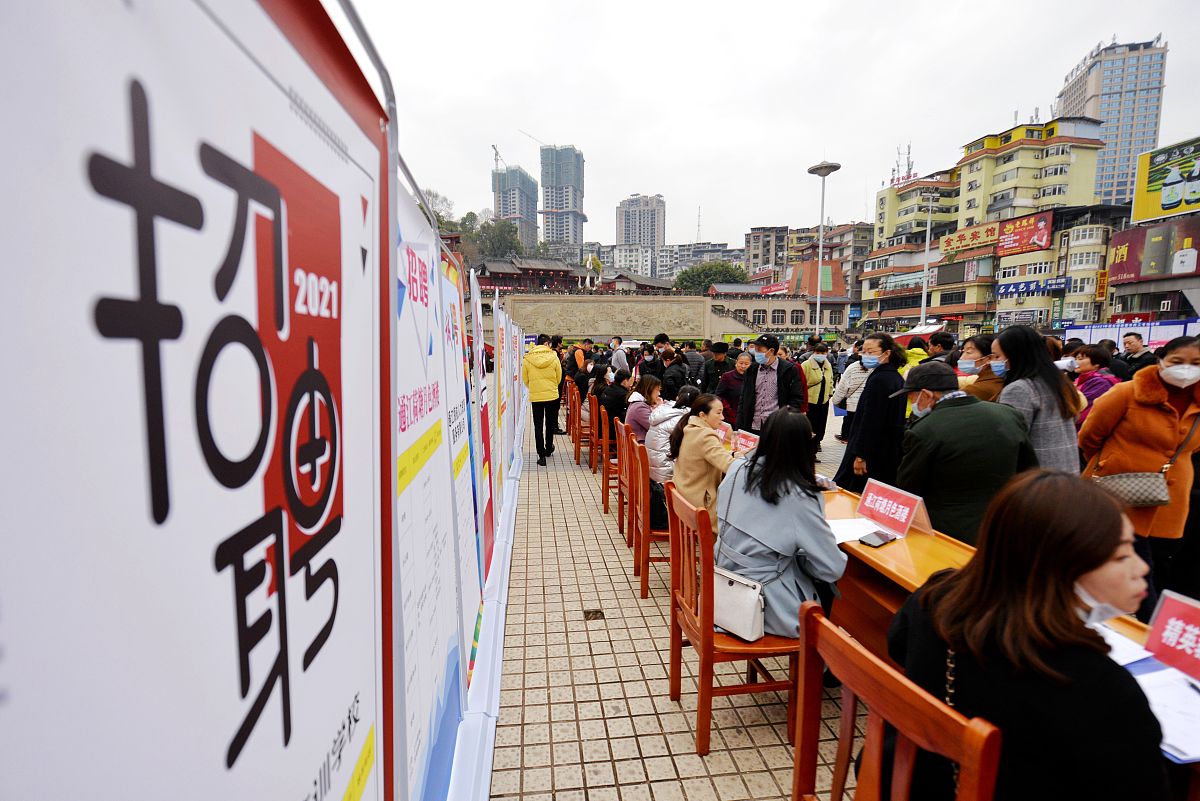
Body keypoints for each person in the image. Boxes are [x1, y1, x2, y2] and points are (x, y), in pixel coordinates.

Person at [887, 470, 1167, 801]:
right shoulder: (1097, 687)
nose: (1141, 568)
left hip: (907, 781)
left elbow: (896, 646)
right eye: (1121, 555)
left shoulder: (937, 597)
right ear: (1062, 568)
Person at [1080, 335, 1200, 619]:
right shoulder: (1126, 393)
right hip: (1117, 493)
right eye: (1177, 361)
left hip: (1170, 499)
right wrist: (1111, 462)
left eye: (1196, 363)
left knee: (1160, 565)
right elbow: (1089, 437)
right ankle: (1145, 627)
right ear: (1160, 361)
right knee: (1129, 566)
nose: (1186, 369)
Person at [715, 408, 847, 638]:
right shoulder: (799, 495)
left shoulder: (737, 469)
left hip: (721, 588)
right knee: (827, 589)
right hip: (763, 604)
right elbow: (831, 568)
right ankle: (820, 657)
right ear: (804, 446)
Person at [894, 363, 1038, 545]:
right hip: (1004, 522)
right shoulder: (1008, 414)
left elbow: (908, 486)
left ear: (927, 394)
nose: (911, 402)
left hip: (948, 532)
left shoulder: (924, 430)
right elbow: (1029, 469)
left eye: (911, 396)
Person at [993, 325, 1082, 474]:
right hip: (1066, 473)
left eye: (997, 356)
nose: (993, 362)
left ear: (1015, 355)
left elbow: (1010, 440)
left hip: (1036, 477)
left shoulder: (1019, 389)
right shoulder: (1059, 382)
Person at [834, 333, 907, 492]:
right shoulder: (894, 377)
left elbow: (871, 420)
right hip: (887, 450)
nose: (865, 355)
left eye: (871, 352)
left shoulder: (880, 380)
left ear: (887, 353)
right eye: (864, 351)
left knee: (855, 492)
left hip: (873, 453)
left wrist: (860, 455)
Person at [670, 393, 739, 518]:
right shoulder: (706, 435)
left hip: (685, 498)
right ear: (702, 415)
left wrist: (734, 454)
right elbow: (730, 466)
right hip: (702, 508)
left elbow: (707, 454)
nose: (722, 417)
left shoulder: (690, 428)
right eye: (718, 413)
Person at [735, 334, 806, 434]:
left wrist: (787, 420)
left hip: (777, 426)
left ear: (771, 351)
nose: (756, 352)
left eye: (759, 350)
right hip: (753, 425)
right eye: (755, 349)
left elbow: (796, 398)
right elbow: (743, 399)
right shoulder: (751, 370)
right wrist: (739, 427)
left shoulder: (789, 369)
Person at [521, 334, 564, 467]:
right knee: (549, 423)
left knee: (538, 426)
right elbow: (559, 377)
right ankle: (549, 448)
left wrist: (534, 387)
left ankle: (541, 456)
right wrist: (552, 386)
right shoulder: (554, 356)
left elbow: (525, 378)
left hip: (536, 396)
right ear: (546, 344)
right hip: (551, 395)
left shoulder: (528, 358)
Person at [646, 385, 699, 483]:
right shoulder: (684, 419)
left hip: (652, 468)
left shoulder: (664, 410)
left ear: (677, 397)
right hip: (667, 473)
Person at [830, 341, 871, 443]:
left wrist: (836, 401)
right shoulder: (876, 368)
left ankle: (846, 438)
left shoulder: (852, 367)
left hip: (852, 404)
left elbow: (842, 387)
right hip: (867, 404)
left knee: (849, 421)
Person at [1073, 344, 1121, 428]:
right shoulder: (1083, 379)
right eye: (1075, 359)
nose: (1075, 362)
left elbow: (1083, 408)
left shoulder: (1101, 382)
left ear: (1097, 363)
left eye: (1080, 359)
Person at [799, 342, 835, 450]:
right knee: (809, 424)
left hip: (823, 400)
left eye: (823, 353)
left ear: (827, 353)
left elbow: (830, 380)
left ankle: (817, 443)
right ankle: (807, 445)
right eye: (818, 352)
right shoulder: (806, 365)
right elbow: (800, 382)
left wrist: (830, 393)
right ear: (813, 352)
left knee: (821, 424)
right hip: (810, 401)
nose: (820, 355)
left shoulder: (827, 365)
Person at [958, 334, 1003, 401]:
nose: (961, 358)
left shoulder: (976, 390)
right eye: (963, 352)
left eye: (968, 352)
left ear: (990, 358)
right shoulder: (1000, 379)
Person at [716, 352, 752, 424]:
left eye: (746, 364)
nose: (743, 366)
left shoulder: (753, 377)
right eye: (741, 363)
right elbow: (718, 395)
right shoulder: (727, 376)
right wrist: (728, 408)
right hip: (730, 416)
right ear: (736, 363)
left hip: (748, 416)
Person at [625, 375, 662, 443]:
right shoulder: (639, 408)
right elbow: (656, 428)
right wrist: (660, 408)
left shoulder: (637, 404)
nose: (659, 394)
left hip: (638, 443)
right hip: (641, 446)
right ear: (649, 389)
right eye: (657, 390)